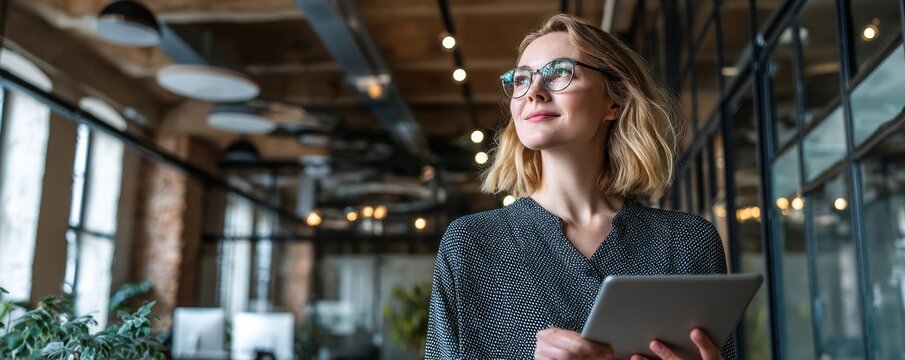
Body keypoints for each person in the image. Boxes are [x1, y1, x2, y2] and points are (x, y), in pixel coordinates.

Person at [425, 13, 737, 360]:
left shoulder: (688, 242)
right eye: (521, 79)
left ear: (615, 100)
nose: (534, 93)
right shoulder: (470, 245)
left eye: (559, 73)